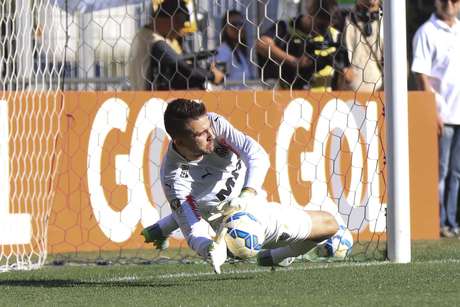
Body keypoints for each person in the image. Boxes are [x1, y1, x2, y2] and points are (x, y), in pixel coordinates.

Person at [141, 98, 352, 274]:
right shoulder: (173, 177)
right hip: (234, 227)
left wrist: (247, 194)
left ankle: (277, 256)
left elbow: (256, 153)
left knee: (331, 226)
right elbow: (192, 226)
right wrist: (211, 250)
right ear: (179, 142)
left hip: (250, 200)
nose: (210, 135)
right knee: (330, 224)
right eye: (200, 134)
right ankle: (273, 251)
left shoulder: (215, 125)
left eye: (208, 128)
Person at [411, 0, 460, 238]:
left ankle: (451, 221)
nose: (450, 4)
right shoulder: (426, 32)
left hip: (459, 113)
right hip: (442, 114)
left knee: (457, 172)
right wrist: (433, 111)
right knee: (439, 171)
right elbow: (422, 75)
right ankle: (437, 221)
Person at [127, 0, 224, 90]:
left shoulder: (145, 35)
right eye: (179, 25)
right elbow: (183, 67)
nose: (179, 32)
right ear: (169, 20)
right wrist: (212, 75)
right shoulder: (154, 41)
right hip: (148, 100)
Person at [255, 0, 348, 91]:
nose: (321, 31)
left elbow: (347, 75)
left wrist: (341, 68)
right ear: (310, 14)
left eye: (326, 26)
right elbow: (261, 44)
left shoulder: (334, 36)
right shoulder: (286, 27)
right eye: (319, 25)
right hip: (289, 95)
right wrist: (295, 61)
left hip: (325, 99)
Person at [337, 0, 384, 92]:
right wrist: (344, 68)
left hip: (380, 93)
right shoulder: (344, 19)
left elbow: (399, 62)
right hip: (349, 92)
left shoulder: (389, 22)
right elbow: (336, 49)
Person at [214, 10, 255, 89]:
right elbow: (218, 82)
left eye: (241, 24)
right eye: (234, 24)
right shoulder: (222, 51)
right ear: (225, 28)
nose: (238, 28)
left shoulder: (240, 51)